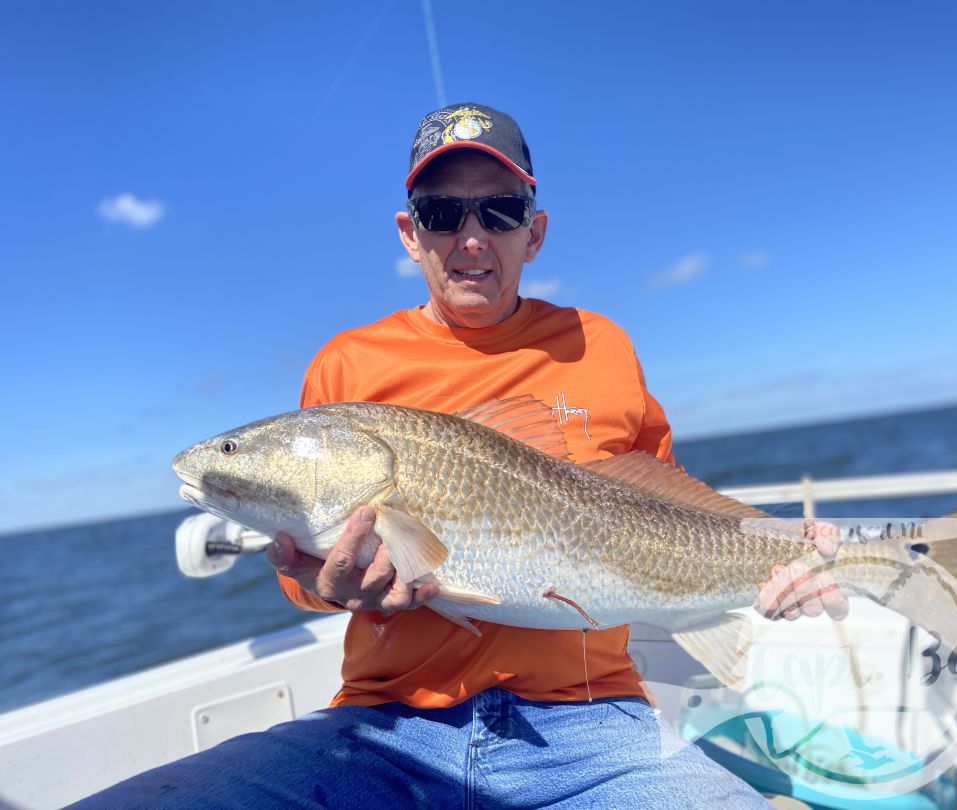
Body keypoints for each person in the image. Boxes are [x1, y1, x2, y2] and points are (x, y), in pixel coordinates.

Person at [74, 104, 847, 809]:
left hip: (595, 724)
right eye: (442, 213)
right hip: (383, 733)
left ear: (533, 232)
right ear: (410, 234)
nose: (470, 237)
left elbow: (666, 509)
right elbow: (306, 581)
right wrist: (330, 587)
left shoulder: (601, 345)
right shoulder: (345, 366)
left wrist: (776, 563)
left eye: (500, 210)